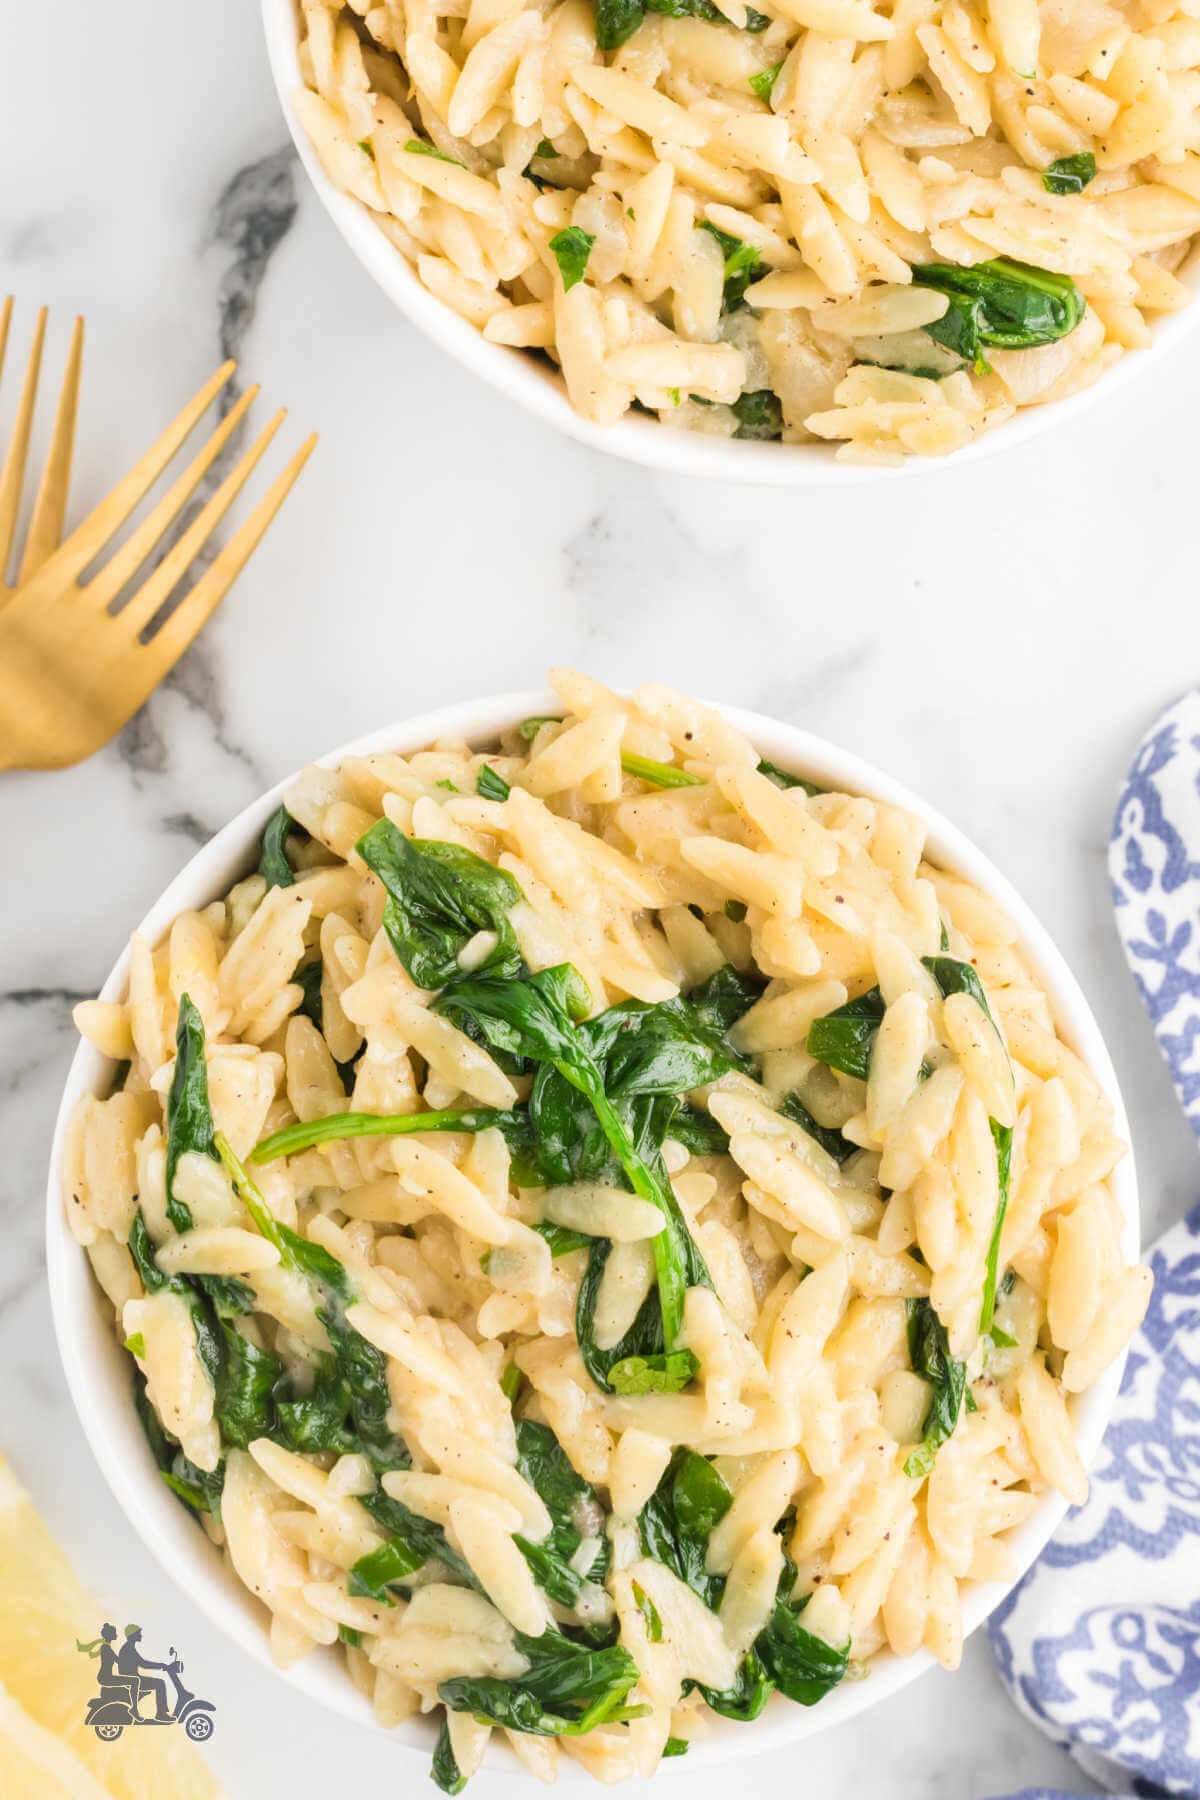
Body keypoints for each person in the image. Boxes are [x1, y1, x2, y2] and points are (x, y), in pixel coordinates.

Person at [117, 1624, 171, 1721]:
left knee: (159, 1683)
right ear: (132, 1635)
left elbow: (142, 1663)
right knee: (160, 1683)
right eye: (138, 1633)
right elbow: (143, 1664)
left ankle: (161, 1713)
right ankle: (161, 1714)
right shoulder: (129, 1649)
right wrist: (161, 1665)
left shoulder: (129, 1647)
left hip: (133, 1678)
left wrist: (161, 1665)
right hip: (133, 1680)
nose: (141, 1635)